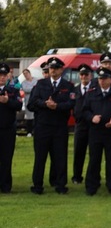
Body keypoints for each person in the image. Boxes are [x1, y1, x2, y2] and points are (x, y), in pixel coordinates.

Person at [27, 57, 76, 194]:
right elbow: (32, 104)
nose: (53, 70)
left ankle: (60, 185)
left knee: (60, 157)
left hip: (59, 127)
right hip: (43, 126)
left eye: (56, 68)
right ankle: (37, 186)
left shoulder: (68, 86)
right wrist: (45, 104)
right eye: (51, 68)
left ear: (61, 69)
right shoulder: (40, 84)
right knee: (40, 158)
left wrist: (57, 106)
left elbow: (71, 104)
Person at [83, 67, 111, 197]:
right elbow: (84, 110)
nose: (102, 81)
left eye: (105, 78)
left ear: (110, 79)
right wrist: (92, 117)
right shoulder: (91, 92)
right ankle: (92, 185)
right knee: (94, 159)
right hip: (96, 131)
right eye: (100, 78)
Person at [0, 63, 23, 193]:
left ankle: (6, 186)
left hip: (8, 129)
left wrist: (7, 101)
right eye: (0, 75)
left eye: (4, 75)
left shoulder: (13, 90)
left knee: (6, 158)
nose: (2, 78)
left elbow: (19, 105)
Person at [71, 64, 93, 184]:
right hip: (80, 125)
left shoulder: (94, 89)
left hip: (92, 125)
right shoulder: (75, 90)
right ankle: (77, 176)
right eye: (82, 74)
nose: (84, 76)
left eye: (86, 74)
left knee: (93, 153)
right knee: (79, 152)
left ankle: (92, 177)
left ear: (91, 76)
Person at [19, 68, 36, 135]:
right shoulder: (23, 82)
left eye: (26, 73)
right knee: (29, 117)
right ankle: (29, 131)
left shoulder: (36, 80)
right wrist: (33, 88)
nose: (26, 75)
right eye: (24, 74)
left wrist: (32, 89)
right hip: (28, 101)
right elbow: (26, 89)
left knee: (35, 116)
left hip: (35, 100)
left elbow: (36, 88)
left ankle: (35, 131)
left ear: (29, 73)